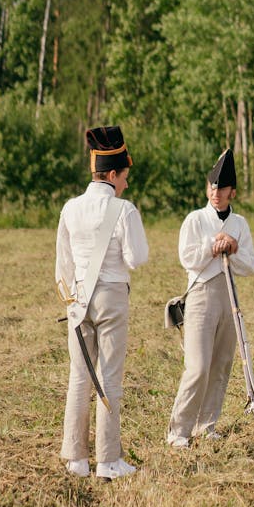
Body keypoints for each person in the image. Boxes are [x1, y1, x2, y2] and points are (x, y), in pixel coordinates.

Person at [56, 126, 149, 480]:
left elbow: (62, 262)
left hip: (78, 299)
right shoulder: (123, 209)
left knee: (79, 378)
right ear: (111, 174)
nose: (126, 183)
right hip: (111, 296)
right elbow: (137, 258)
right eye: (124, 177)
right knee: (109, 378)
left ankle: (76, 459)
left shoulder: (70, 208)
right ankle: (108, 460)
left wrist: (72, 297)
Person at [167, 149, 254, 447]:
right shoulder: (195, 220)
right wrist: (212, 245)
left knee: (221, 365)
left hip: (228, 296)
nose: (216, 192)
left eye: (222, 188)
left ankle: (206, 425)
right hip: (201, 295)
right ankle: (178, 431)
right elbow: (188, 258)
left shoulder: (240, 224)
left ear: (232, 191)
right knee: (198, 367)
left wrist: (233, 247)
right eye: (212, 186)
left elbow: (251, 265)